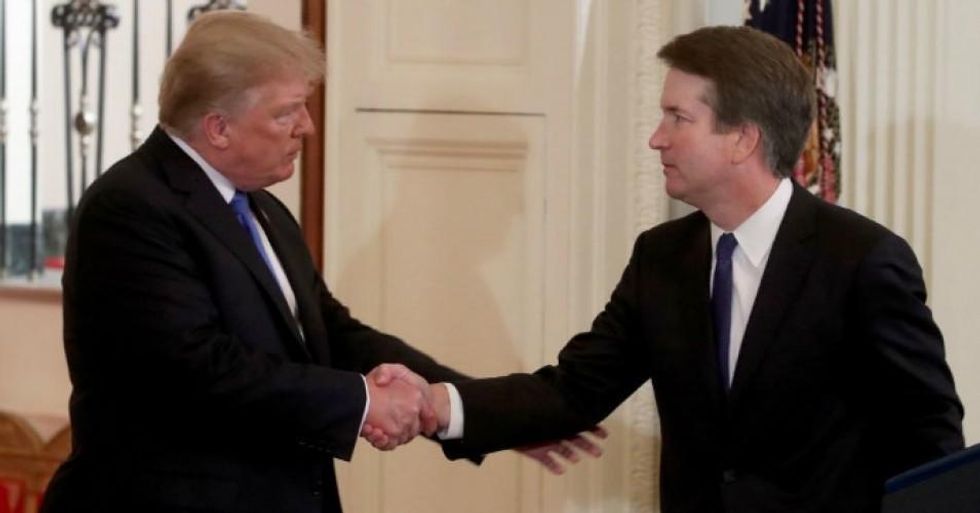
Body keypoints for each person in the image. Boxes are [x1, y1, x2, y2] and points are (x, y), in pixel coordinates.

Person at [41, 11, 595, 513]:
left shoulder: (261, 208)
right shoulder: (131, 206)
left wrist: (472, 413)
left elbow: (331, 334)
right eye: (287, 112)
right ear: (218, 127)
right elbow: (199, 367)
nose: (307, 126)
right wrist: (363, 401)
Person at [414, 26, 964, 513]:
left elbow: (928, 438)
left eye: (679, 117)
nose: (657, 137)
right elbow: (575, 390)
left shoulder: (860, 259)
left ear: (743, 138)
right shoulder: (662, 258)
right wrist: (438, 406)